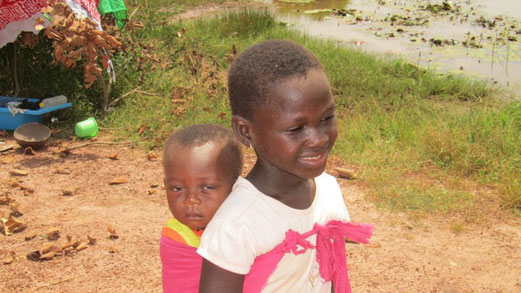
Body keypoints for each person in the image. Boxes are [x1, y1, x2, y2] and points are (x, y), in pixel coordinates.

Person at [197, 40, 374, 293]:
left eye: (326, 118)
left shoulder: (329, 190)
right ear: (246, 132)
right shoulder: (237, 225)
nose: (319, 138)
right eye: (296, 129)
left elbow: (330, 273)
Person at [159, 124, 243, 293]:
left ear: (237, 186)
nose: (191, 200)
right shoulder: (177, 237)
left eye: (208, 187)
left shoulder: (247, 225)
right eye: (177, 188)